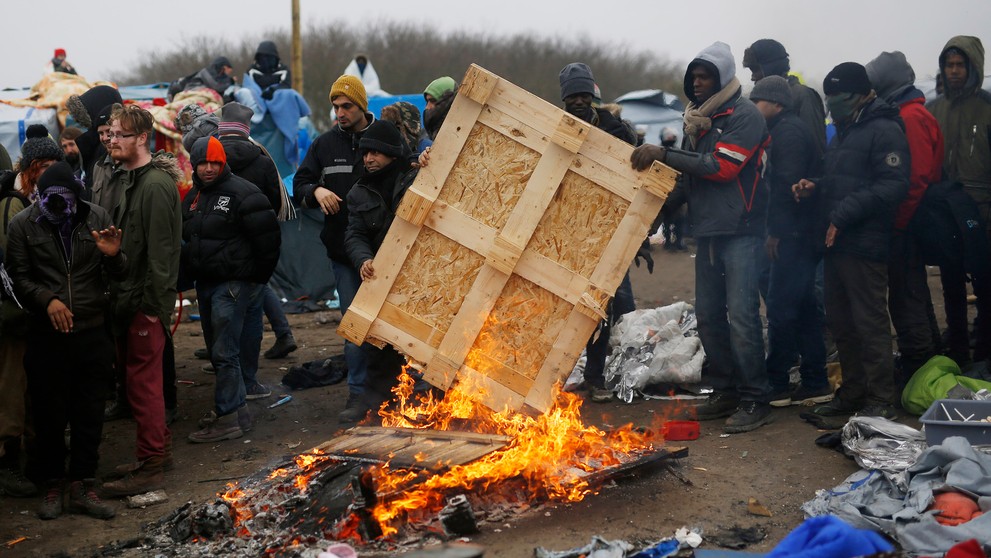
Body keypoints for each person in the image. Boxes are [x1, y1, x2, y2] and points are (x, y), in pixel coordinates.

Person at [631, 42, 772, 433]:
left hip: (742, 231)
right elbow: (686, 181)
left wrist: (663, 153)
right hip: (708, 233)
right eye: (693, 76)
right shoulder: (696, 121)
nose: (696, 83)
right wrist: (652, 221)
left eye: (704, 76)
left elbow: (720, 167)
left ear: (723, 78)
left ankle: (755, 397)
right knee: (709, 318)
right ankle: (726, 390)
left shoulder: (745, 116)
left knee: (742, 318)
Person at [6, 162, 124, 520]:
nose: (58, 207)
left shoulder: (96, 217)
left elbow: (120, 273)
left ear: (77, 197)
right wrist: (46, 300)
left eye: (66, 200)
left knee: (90, 411)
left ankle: (83, 483)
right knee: (49, 413)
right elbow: (17, 277)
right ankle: (53, 483)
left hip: (92, 329)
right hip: (47, 335)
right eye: (50, 200)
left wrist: (115, 255)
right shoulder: (23, 224)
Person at [798, 62, 909, 423]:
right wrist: (816, 185)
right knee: (842, 323)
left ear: (863, 94)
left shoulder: (885, 128)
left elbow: (893, 184)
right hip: (836, 243)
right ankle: (853, 392)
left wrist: (843, 214)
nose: (832, 104)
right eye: (828, 97)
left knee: (870, 323)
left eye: (839, 97)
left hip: (865, 243)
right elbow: (842, 177)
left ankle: (881, 399)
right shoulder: (847, 129)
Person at [100, 104, 182, 498]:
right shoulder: (127, 179)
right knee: (138, 384)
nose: (112, 140)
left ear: (142, 138)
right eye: (111, 133)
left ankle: (151, 467)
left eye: (120, 135)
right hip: (126, 299)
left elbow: (163, 257)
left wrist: (152, 311)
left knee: (144, 386)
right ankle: (156, 453)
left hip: (144, 305)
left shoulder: (154, 186)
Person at [183, 137, 281, 443]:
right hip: (207, 283)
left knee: (225, 352)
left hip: (233, 284)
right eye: (203, 163)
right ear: (194, 165)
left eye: (215, 162)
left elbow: (269, 242)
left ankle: (228, 418)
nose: (209, 168)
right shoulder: (194, 196)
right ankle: (237, 411)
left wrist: (254, 281)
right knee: (217, 351)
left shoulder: (244, 193)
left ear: (223, 163)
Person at [294, 75, 374, 422]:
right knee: (354, 325)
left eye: (347, 106)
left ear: (362, 106)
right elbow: (299, 182)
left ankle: (394, 391)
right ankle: (357, 397)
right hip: (343, 253)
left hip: (388, 252)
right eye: (335, 106)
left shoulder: (383, 138)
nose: (339, 112)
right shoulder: (325, 145)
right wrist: (316, 191)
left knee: (389, 326)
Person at [558, 62, 640, 402]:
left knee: (610, 307)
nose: (578, 102)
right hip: (567, 232)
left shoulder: (615, 129)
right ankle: (564, 375)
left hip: (607, 231)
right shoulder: (557, 126)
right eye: (572, 96)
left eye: (583, 95)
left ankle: (595, 376)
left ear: (592, 95)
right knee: (567, 309)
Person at [749, 76, 831, 408]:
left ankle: (778, 382)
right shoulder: (784, 130)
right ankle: (815, 380)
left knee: (782, 308)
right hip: (801, 233)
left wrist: (776, 232)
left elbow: (788, 188)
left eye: (758, 101)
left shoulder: (789, 134)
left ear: (777, 104)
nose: (753, 107)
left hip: (796, 236)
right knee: (804, 307)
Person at [865, 51, 945, 380]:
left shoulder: (910, 116)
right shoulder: (907, 111)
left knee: (906, 293)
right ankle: (929, 357)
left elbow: (917, 177)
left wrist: (897, 222)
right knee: (912, 291)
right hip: (911, 217)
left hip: (909, 220)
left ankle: (920, 365)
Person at [344, 120, 417, 412]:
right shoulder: (358, 191)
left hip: (422, 279)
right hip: (383, 278)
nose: (369, 159)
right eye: (365, 153)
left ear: (392, 154)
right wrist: (363, 259)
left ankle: (424, 403)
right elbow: (355, 234)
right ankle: (374, 406)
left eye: (376, 153)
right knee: (379, 345)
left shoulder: (416, 178)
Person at [926, 36, 991, 364]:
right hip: (945, 212)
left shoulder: (988, 107)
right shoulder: (933, 109)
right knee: (951, 286)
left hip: (983, 212)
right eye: (949, 65)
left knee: (986, 288)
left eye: (960, 65)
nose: (953, 71)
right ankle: (957, 357)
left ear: (973, 67)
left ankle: (984, 359)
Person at [215, 102, 297, 359]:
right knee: (255, 296)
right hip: (254, 244)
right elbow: (274, 202)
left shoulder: (210, 160)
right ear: (246, 128)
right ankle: (251, 370)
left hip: (218, 244)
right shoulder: (262, 160)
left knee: (224, 303)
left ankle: (226, 360)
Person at [742, 39, 826, 158]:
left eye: (756, 70)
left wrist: (814, 177)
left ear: (771, 67)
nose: (752, 77)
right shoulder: (758, 100)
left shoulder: (802, 95)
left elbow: (815, 146)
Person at [242, 41, 311, 178]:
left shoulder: (283, 70)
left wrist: (274, 90)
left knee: (288, 95)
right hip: (257, 105)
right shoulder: (252, 70)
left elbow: (286, 85)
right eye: (263, 57)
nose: (266, 61)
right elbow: (248, 86)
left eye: (269, 57)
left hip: (279, 104)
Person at [65, 85, 123, 191]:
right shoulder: (93, 144)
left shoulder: (105, 148)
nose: (105, 138)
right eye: (101, 133)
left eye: (108, 133)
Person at [423, 76, 457, 140]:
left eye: (433, 101)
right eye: (427, 101)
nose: (427, 107)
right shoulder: (425, 138)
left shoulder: (463, 133)